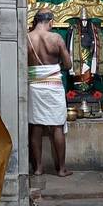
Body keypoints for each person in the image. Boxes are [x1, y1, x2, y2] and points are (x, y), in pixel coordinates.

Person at [27, 9, 73, 177]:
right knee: (57, 126)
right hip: (53, 86)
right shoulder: (56, 38)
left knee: (36, 126)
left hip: (34, 86)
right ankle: (61, 169)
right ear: (51, 21)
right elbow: (68, 65)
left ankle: (38, 168)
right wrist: (54, 68)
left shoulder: (26, 38)